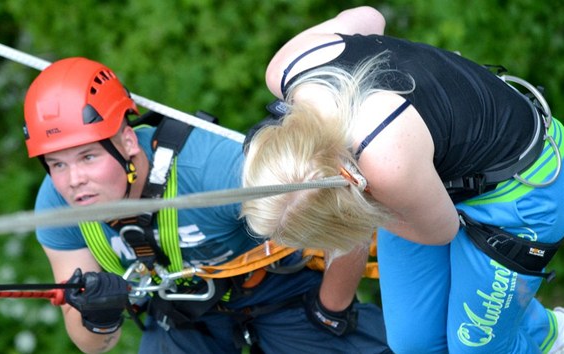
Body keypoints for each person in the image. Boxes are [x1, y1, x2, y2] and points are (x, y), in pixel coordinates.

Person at [241, 6, 564, 354]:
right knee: (413, 344)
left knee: (477, 349)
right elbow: (369, 16)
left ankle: (550, 338)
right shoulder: (287, 68)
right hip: (430, 182)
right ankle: (522, 323)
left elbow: (441, 231)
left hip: (520, 188)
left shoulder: (384, 164)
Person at [22, 56, 393, 354]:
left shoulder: (213, 169)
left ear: (127, 141)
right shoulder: (58, 204)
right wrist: (98, 317)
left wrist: (331, 309)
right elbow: (91, 344)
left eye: (87, 157)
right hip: (184, 314)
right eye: (57, 163)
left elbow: (347, 216)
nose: (73, 180)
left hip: (282, 291)